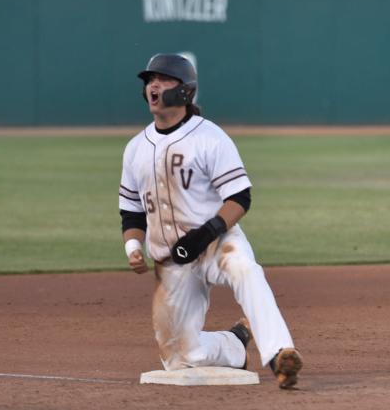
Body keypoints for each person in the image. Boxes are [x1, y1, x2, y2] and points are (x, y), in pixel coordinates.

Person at [118, 53, 303, 389]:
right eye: (149, 80)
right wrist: (132, 245)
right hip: (171, 262)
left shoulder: (210, 137)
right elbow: (131, 210)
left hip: (217, 241)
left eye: (162, 79)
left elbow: (239, 197)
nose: (153, 85)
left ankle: (280, 354)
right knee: (181, 359)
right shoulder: (135, 149)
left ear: (185, 91)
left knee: (246, 269)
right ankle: (235, 343)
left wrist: (205, 235)